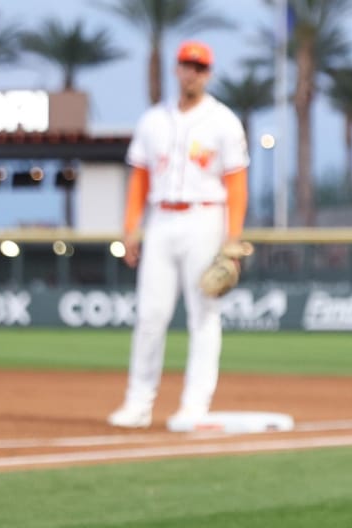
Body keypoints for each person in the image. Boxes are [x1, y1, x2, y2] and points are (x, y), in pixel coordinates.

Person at [107, 40, 249, 429]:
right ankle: (138, 403)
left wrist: (232, 238)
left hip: (205, 217)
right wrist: (130, 228)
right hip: (161, 220)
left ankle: (194, 406)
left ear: (209, 73)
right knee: (151, 316)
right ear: (176, 68)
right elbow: (140, 179)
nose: (193, 72)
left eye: (200, 67)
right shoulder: (153, 120)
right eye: (187, 65)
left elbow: (237, 184)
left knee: (203, 315)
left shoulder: (223, 121)